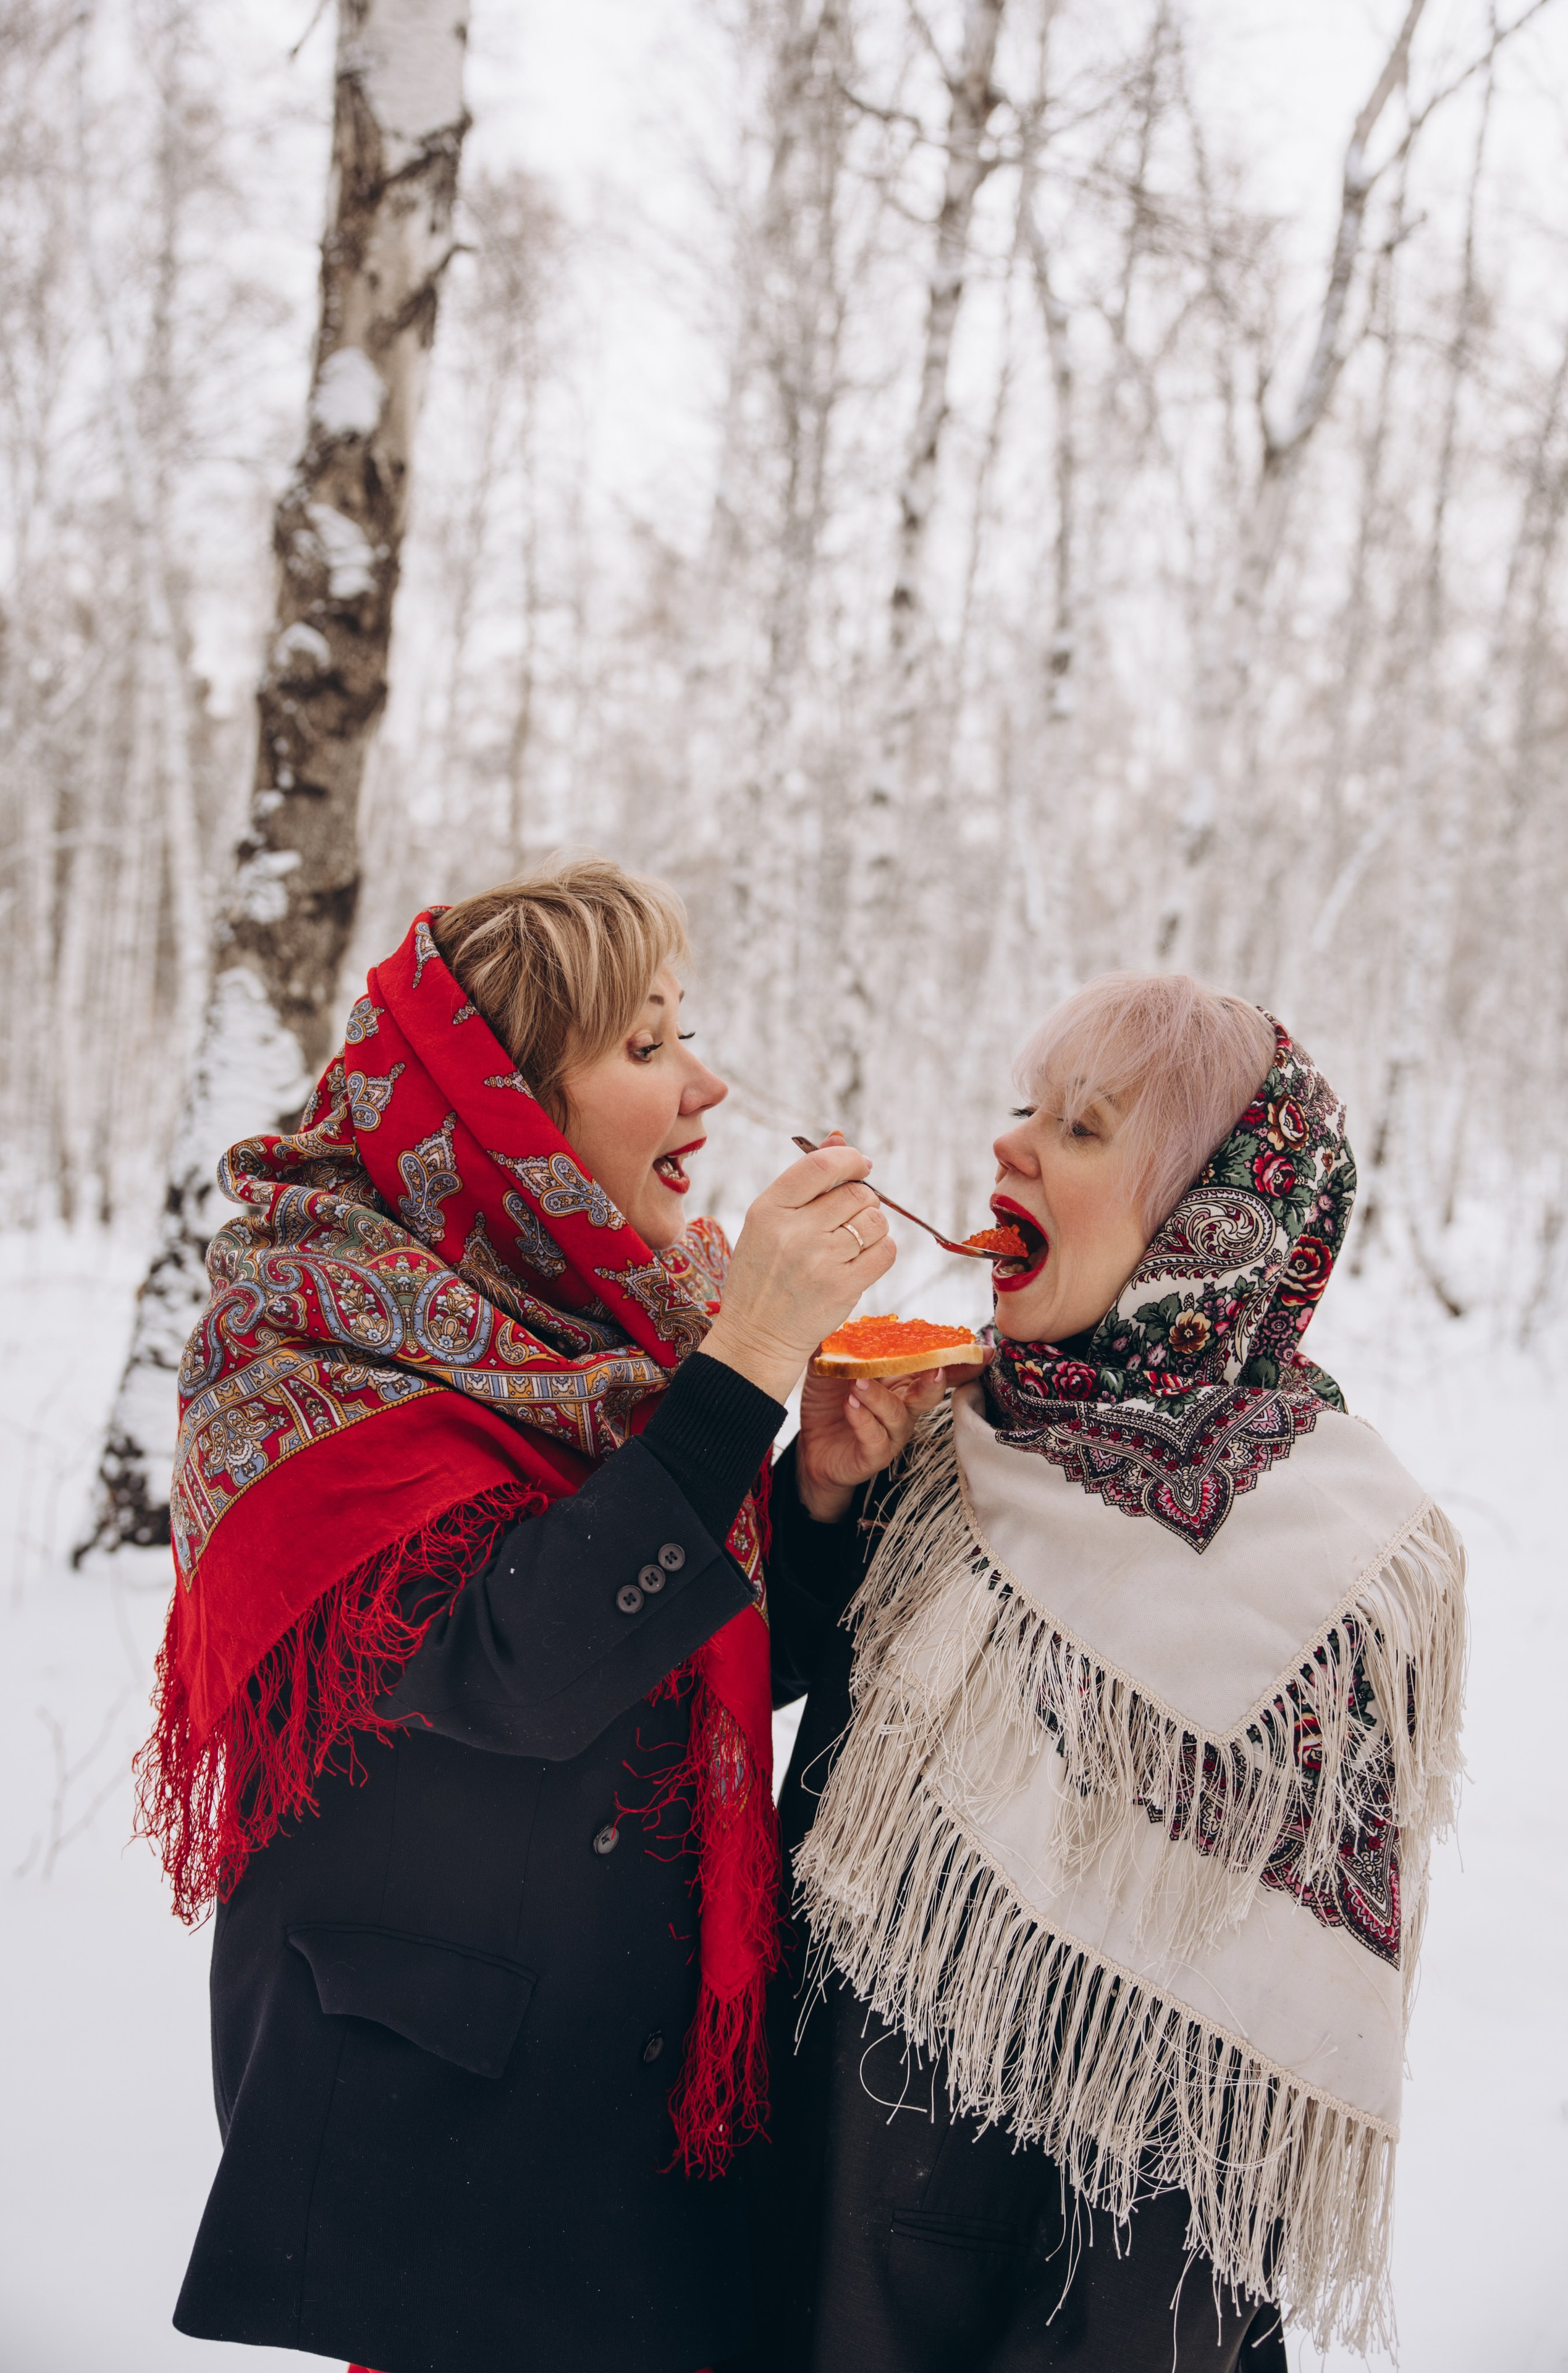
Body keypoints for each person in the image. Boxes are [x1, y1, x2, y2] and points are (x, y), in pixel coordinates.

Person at [141, 856, 909, 2373]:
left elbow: (673, 1665)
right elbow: (515, 1669)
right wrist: (749, 1353)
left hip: (629, 2107)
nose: (706, 1082)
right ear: (498, 1111)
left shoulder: (614, 1317)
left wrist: (810, 1504)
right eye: (642, 1047)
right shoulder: (310, 1331)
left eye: (682, 1030)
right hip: (450, 2140)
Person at [754, 973, 1467, 2373]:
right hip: (803, 2230)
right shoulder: (942, 1445)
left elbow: (1224, 2065)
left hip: (1066, 2309)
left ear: (1209, 1227)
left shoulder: (1332, 1566)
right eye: (1024, 1112)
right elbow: (728, 1689)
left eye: (1080, 1131)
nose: (1009, 1147)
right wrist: (821, 1493)